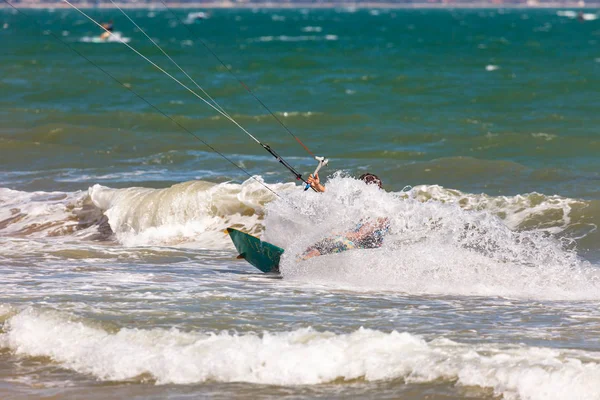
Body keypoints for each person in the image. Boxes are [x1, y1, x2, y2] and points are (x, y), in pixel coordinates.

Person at [301, 172, 389, 260]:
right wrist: (317, 185)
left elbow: (359, 235)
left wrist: (336, 233)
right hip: (355, 244)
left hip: (368, 252)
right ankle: (298, 257)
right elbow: (333, 196)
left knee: (334, 241)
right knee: (318, 243)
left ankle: (302, 259)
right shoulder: (361, 206)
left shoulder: (380, 212)